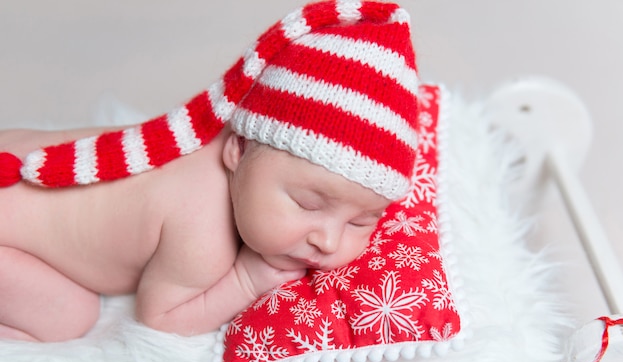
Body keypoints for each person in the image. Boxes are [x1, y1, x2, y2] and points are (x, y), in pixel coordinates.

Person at [0, 0, 420, 342]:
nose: (328, 241)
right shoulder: (202, 230)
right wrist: (244, 283)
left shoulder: (214, 137)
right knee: (68, 316)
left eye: (362, 220)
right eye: (308, 204)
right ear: (236, 149)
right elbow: (159, 317)